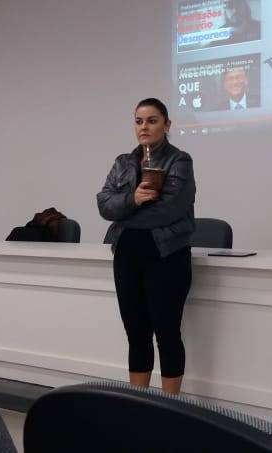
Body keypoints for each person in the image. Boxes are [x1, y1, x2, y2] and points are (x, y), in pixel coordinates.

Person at [97, 98, 196, 394]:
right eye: (139, 121)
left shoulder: (179, 161)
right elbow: (104, 204)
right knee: (136, 334)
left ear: (167, 125)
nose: (144, 127)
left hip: (166, 256)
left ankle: (170, 408)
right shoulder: (123, 162)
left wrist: (124, 212)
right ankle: (139, 404)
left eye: (152, 120)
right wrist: (133, 199)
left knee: (167, 334)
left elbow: (169, 210)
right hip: (127, 256)